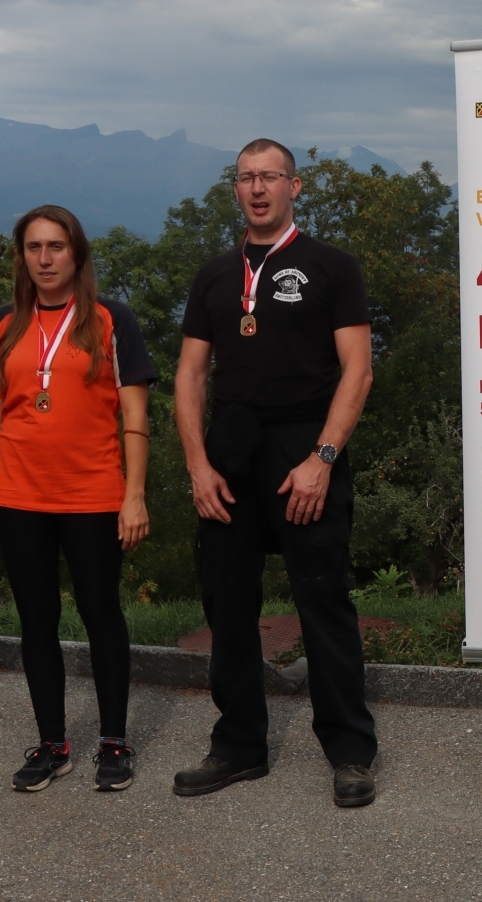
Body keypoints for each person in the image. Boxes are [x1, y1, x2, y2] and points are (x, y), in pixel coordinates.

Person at [173, 139, 379, 807]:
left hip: (304, 444)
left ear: (295, 186)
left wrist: (323, 459)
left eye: (270, 177)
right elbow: (189, 377)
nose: (258, 188)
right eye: (246, 178)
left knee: (323, 601)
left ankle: (349, 751)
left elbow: (358, 370)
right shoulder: (213, 274)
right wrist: (198, 466)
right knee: (228, 604)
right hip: (230, 447)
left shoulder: (331, 266)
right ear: (234, 189)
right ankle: (238, 746)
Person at [0, 205, 156, 792]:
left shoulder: (110, 320)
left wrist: (134, 496)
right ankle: (51, 744)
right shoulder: (3, 324)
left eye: (56, 247)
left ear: (77, 254)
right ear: (22, 256)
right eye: (34, 248)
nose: (44, 258)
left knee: (101, 614)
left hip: (93, 494)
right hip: (16, 497)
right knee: (36, 620)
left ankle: (113, 742)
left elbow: (135, 416)